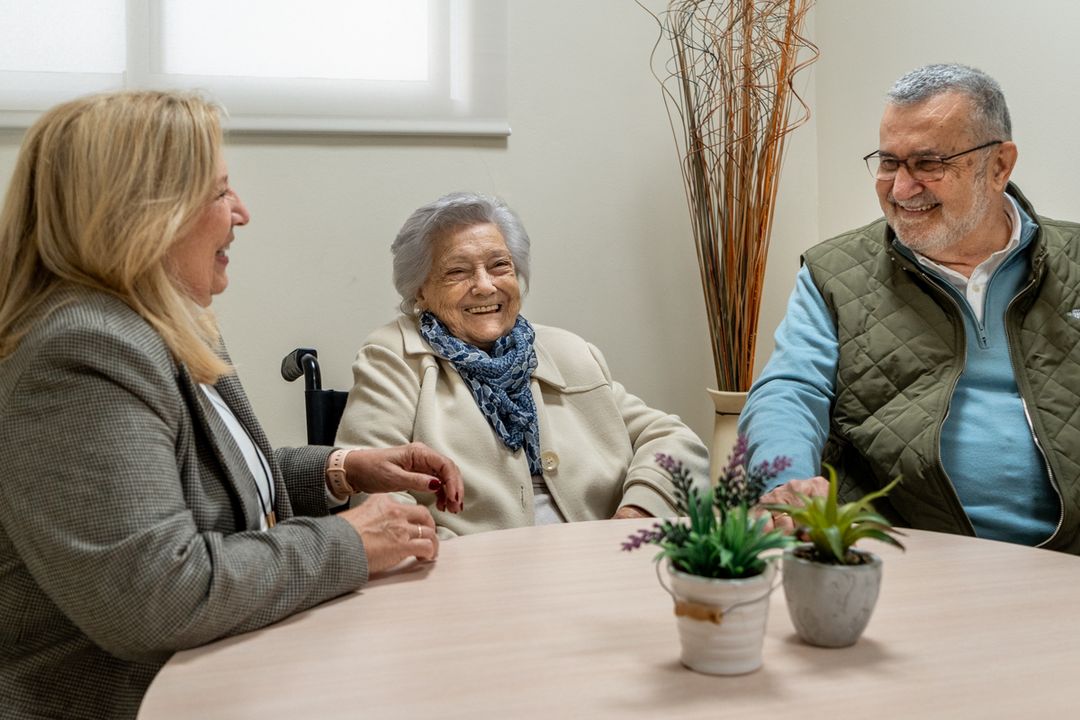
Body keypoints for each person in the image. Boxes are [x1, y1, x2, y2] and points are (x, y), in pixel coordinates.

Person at [0, 90, 464, 719]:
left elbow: (193, 484)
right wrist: (349, 541)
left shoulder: (150, 324)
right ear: (143, 212)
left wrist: (340, 469)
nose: (241, 212)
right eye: (220, 193)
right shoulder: (83, 351)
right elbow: (159, 595)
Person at [740, 63, 1080, 553]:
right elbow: (791, 389)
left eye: (928, 164)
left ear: (1000, 166)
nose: (901, 189)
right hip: (904, 552)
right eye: (888, 162)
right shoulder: (835, 274)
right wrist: (785, 478)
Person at [335, 191, 709, 537]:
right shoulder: (393, 356)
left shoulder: (568, 352)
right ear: (420, 289)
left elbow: (674, 440)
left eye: (499, 266)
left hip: (599, 567)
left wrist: (636, 514)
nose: (484, 286)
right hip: (470, 584)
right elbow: (378, 498)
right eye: (458, 271)